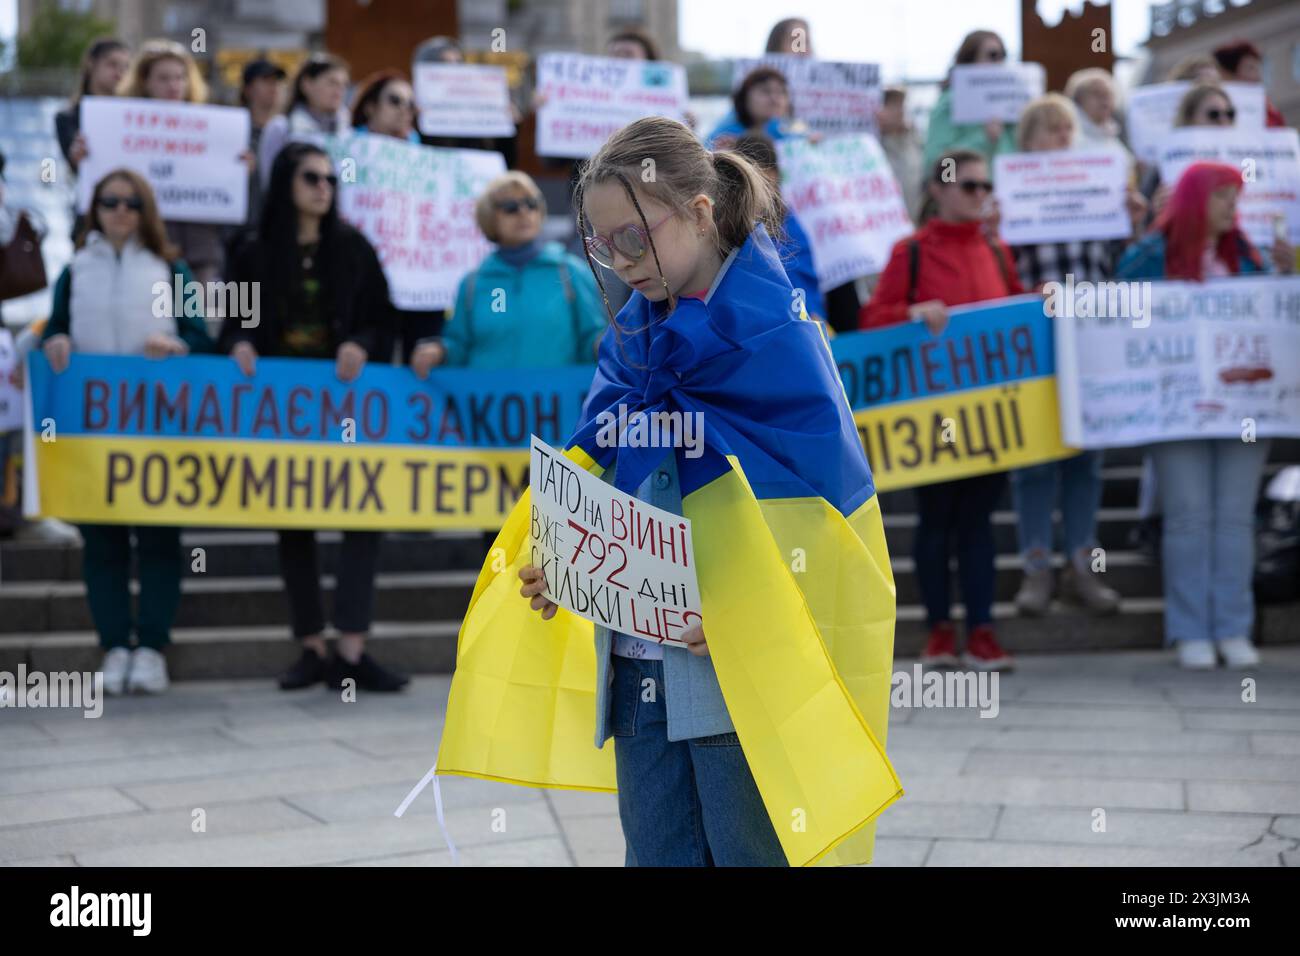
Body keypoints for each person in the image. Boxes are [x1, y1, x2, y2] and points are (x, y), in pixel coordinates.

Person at [492, 115, 896, 866]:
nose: (619, 262)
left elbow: (829, 515)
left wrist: (753, 610)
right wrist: (568, 563)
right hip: (637, 665)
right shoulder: (631, 343)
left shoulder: (782, 339)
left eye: (634, 239)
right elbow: (604, 470)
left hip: (734, 665)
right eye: (601, 245)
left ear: (700, 212)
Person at [220, 143, 406, 693]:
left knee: (363, 518)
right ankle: (310, 647)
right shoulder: (252, 250)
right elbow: (234, 322)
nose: (323, 186)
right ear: (285, 183)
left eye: (329, 178)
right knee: (293, 523)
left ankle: (351, 649)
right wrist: (240, 345)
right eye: (310, 177)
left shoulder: (352, 247)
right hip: (280, 412)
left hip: (347, 408)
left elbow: (381, 319)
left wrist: (360, 344)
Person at [39, 170, 214, 694]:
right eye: (110, 201)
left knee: (159, 537)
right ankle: (115, 644)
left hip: (158, 428)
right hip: (94, 432)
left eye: (131, 202)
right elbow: (54, 328)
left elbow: (201, 339)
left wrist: (176, 345)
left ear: (146, 211)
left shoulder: (171, 268)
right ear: (94, 208)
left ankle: (152, 647)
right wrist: (57, 341)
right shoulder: (76, 269)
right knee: (103, 542)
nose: (120, 210)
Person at [1114, 162, 1292, 669]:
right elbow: (1119, 316)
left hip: (1244, 410)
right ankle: (1189, 629)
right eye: (1223, 197)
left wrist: (1285, 273)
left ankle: (1233, 626)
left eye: (1235, 197)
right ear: (1196, 200)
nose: (1233, 207)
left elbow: (1273, 318)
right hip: (1175, 408)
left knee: (1235, 519)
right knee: (1189, 518)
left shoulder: (1250, 255)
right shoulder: (1150, 254)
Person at [861, 148, 1024, 671]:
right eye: (969, 185)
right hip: (929, 416)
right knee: (936, 521)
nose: (980, 194)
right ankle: (938, 631)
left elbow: (1017, 313)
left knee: (977, 523)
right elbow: (872, 321)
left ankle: (981, 631)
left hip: (988, 415)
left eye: (984, 185)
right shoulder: (909, 252)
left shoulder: (998, 250)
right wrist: (910, 313)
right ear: (939, 190)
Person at [1006, 94, 1147, 616]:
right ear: (1028, 141)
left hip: (1091, 336)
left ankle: (1083, 564)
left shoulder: (1100, 186)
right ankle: (1037, 568)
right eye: (1050, 129)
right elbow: (1000, 269)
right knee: (1037, 460)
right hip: (1036, 340)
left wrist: (1131, 220)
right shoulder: (1012, 195)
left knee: (1087, 459)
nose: (1063, 137)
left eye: (1068, 128)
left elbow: (1117, 262)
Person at [412, 171, 605, 375]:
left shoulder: (571, 272)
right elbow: (459, 347)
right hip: (488, 404)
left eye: (531, 203)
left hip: (555, 405)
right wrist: (439, 352)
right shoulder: (471, 284)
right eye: (510, 207)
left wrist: (606, 344)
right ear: (489, 218)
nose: (523, 212)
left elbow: (591, 339)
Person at [117, 39, 233, 288]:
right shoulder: (118, 128)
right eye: (164, 78)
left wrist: (242, 167)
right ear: (144, 82)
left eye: (180, 77)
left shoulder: (215, 128)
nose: (174, 85)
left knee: (196, 324)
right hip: (143, 250)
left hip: (201, 254)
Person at [733, 132, 825, 324]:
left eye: (765, 180)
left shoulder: (789, 224)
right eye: (751, 180)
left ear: (775, 176)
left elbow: (803, 278)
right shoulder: (727, 227)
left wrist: (811, 312)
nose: (759, 190)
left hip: (794, 322)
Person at [922, 30, 1019, 177]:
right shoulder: (949, 103)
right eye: (992, 55)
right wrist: (983, 139)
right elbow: (939, 169)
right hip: (970, 195)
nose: (999, 62)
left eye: (1003, 55)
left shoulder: (1013, 104)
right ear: (970, 60)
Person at [258, 53, 351, 189]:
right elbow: (269, 182)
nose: (339, 91)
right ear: (306, 84)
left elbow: (350, 179)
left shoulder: (349, 134)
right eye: (332, 82)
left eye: (344, 85)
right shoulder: (281, 128)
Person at [55, 38, 130, 174]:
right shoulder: (67, 116)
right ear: (91, 63)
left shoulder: (132, 113)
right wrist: (76, 155)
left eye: (125, 67)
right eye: (112, 64)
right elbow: (72, 165)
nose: (120, 73)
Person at [239, 58, 287, 231]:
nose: (274, 88)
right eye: (266, 81)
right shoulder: (235, 132)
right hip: (243, 226)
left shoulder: (290, 132)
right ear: (248, 90)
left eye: (278, 82)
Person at [1063, 68, 1132, 163]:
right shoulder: (1067, 136)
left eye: (1108, 94)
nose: (1104, 99)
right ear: (1079, 99)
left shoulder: (1113, 137)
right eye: (1097, 94)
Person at [877, 86, 924, 223]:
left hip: (913, 221)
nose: (900, 112)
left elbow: (945, 164)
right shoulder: (870, 145)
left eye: (901, 106)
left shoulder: (915, 141)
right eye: (893, 106)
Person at [1213, 39, 1286, 126]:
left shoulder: (1266, 106)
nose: (1257, 77)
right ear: (1228, 74)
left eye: (1258, 69)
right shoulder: (1216, 108)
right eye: (1250, 68)